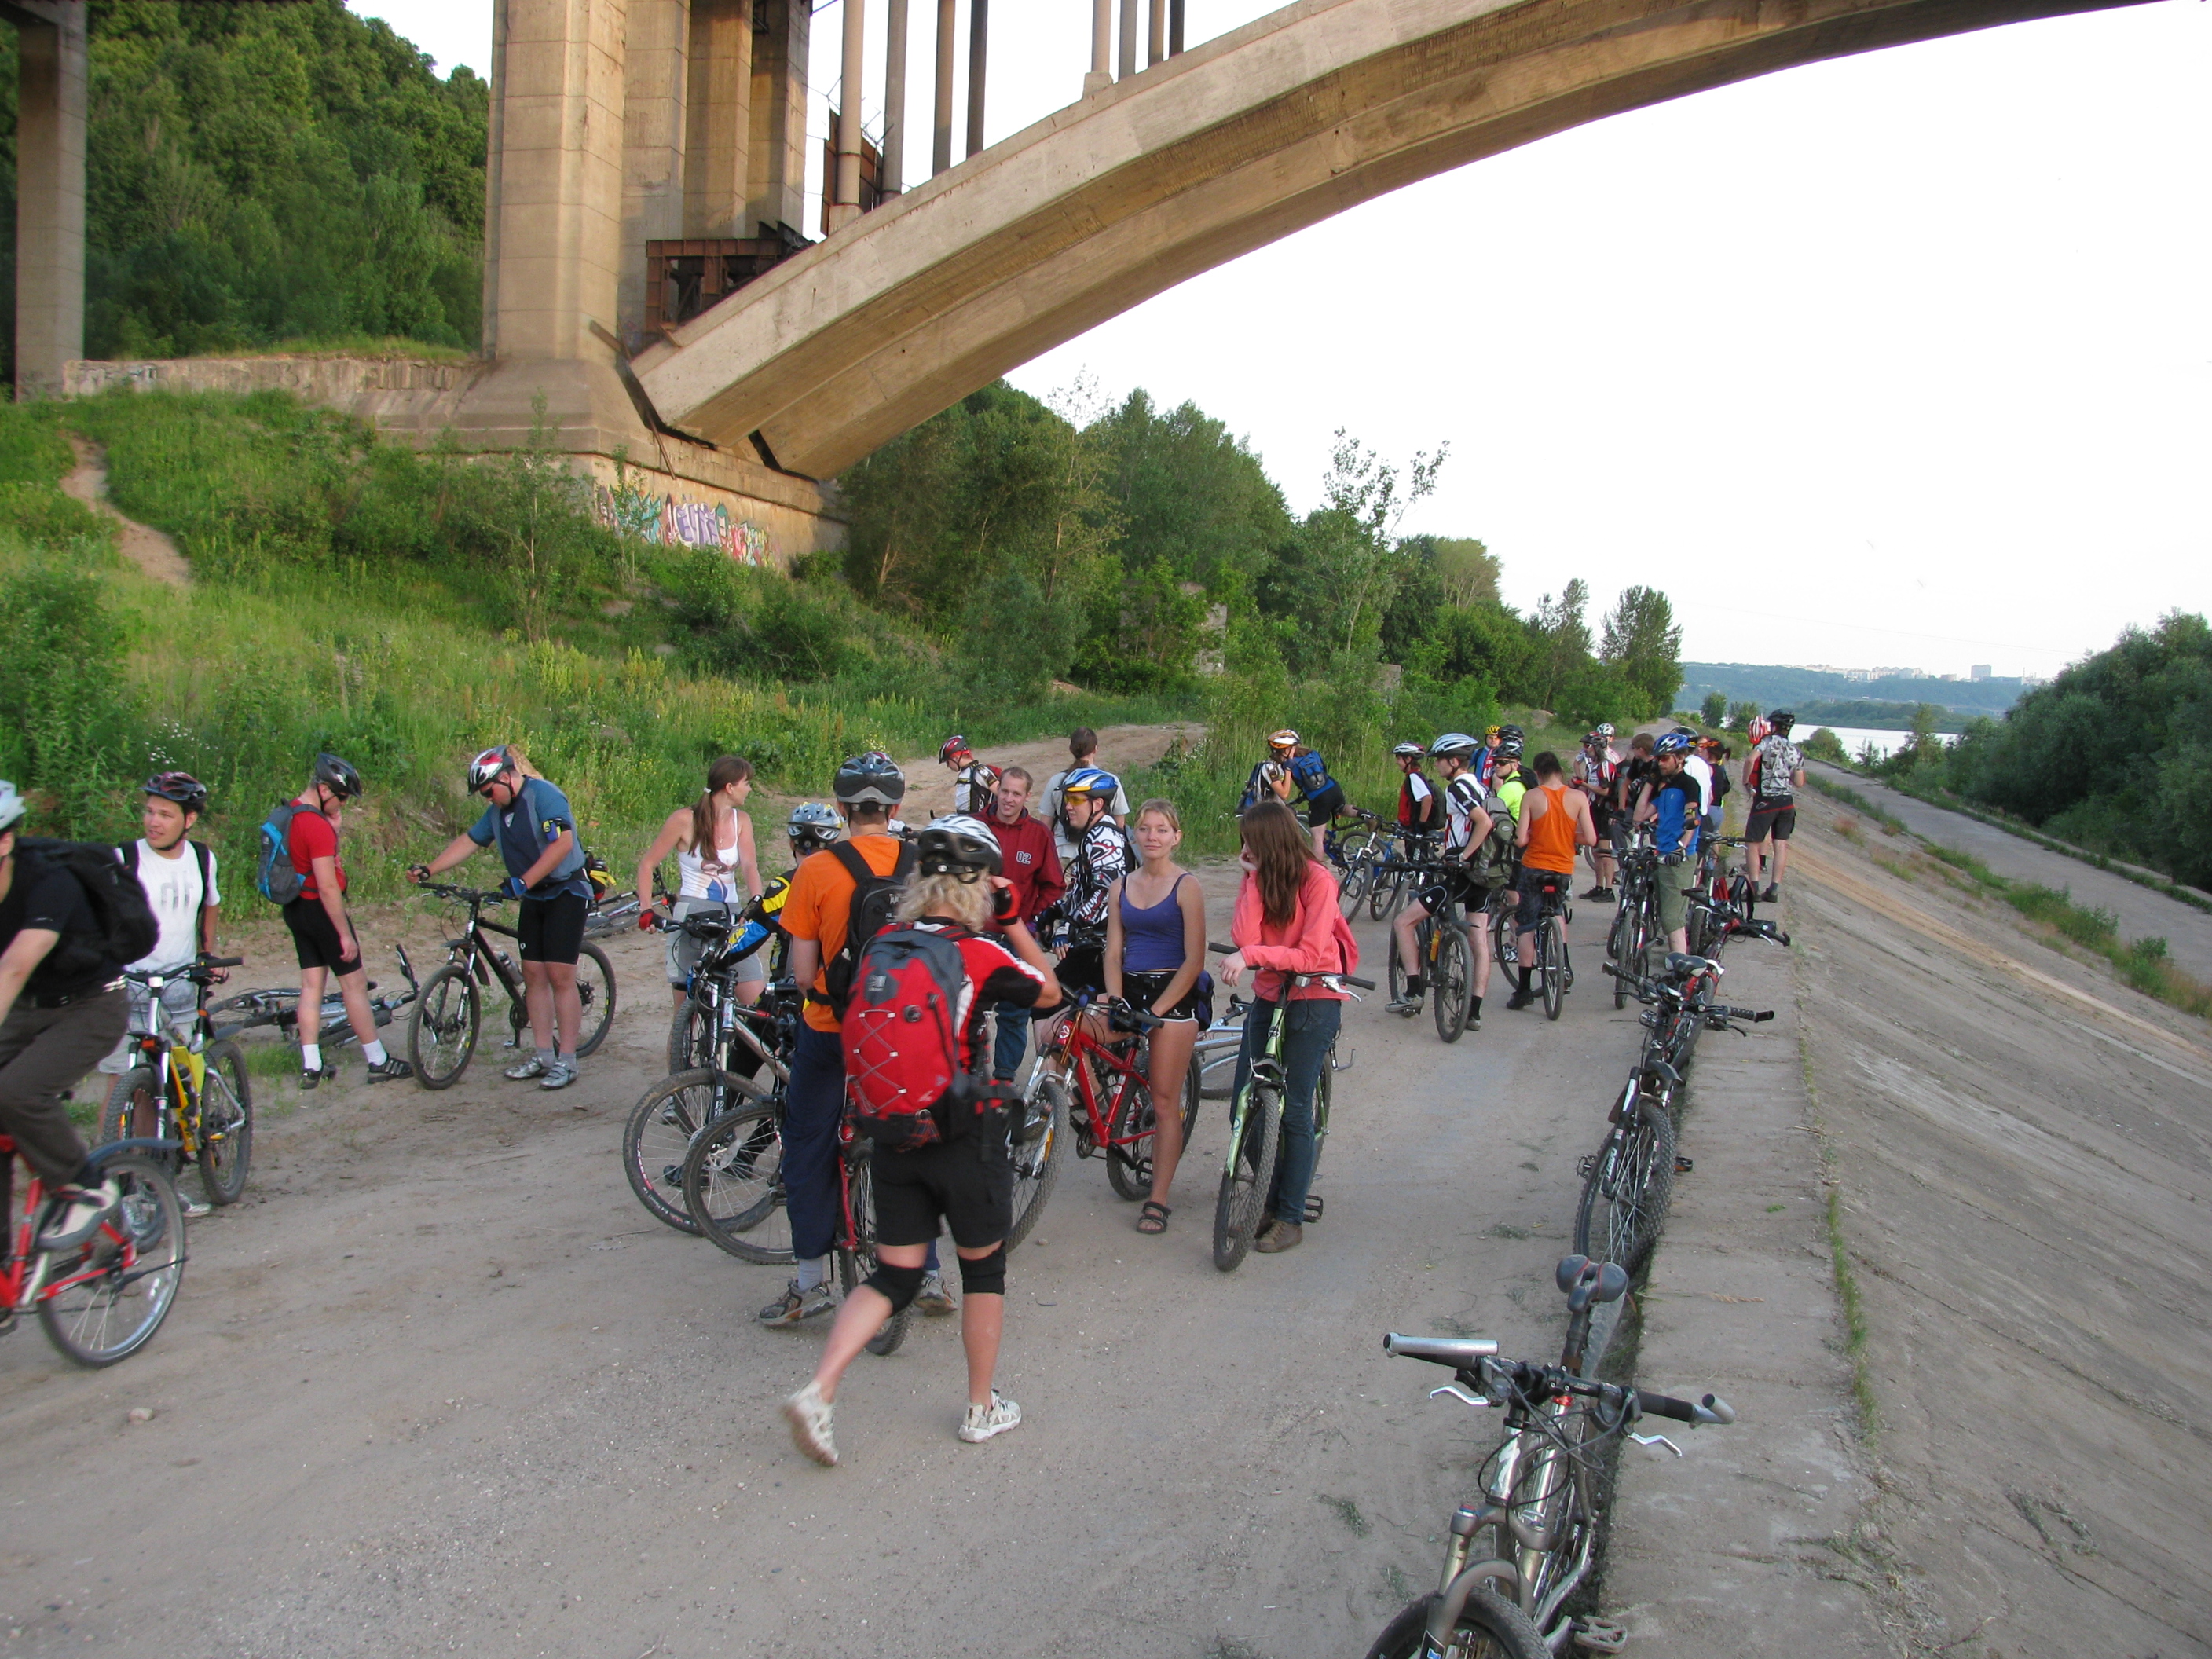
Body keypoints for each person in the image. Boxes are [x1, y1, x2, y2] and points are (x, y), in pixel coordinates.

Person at [780, 815, 1061, 1467]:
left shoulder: (882, 944)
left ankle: (820, 1390)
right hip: (963, 1135)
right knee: (983, 1268)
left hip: (892, 1133)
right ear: (977, 888)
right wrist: (1014, 920)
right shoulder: (978, 951)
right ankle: (981, 1407)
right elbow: (1049, 992)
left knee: (895, 1275)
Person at [761, 751, 921, 1326]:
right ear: (895, 808)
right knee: (912, 1144)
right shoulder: (925, 864)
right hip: (903, 1033)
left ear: (841, 808)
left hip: (833, 1029)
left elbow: (804, 975)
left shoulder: (815, 871)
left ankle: (811, 1282)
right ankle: (926, 1273)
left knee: (807, 1141)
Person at [0, 780, 135, 1251]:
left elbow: (14, 967)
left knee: (15, 1091)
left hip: (93, 1006)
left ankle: (85, 1185)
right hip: (29, 1007)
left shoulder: (47, 881)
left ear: (5, 841)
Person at [409, 746, 592, 1090]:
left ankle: (567, 1060)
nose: (487, 799)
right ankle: (544, 1055)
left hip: (566, 890)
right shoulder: (497, 811)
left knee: (560, 976)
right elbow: (469, 841)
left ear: (506, 777)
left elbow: (562, 844)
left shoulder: (544, 796)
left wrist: (524, 881)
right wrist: (430, 868)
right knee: (533, 975)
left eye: (488, 791)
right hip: (535, 895)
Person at [1218, 802, 1357, 1256]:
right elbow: (1245, 937)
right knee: (1245, 1104)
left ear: (1271, 841)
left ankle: (1290, 1216)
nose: (1245, 849)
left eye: (1251, 843)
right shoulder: (1262, 877)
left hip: (1315, 996)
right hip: (1271, 993)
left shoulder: (1318, 880)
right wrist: (1251, 880)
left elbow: (1311, 956)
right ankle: (1267, 1195)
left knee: (1294, 1110)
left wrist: (1253, 956)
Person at [1103, 799, 1207, 1236]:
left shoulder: (1187, 886)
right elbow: (1113, 952)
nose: (1151, 836)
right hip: (1128, 988)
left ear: (1176, 837)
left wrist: (1156, 1011)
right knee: (1063, 1030)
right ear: (1135, 834)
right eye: (1145, 828)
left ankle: (1158, 1199)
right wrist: (1115, 999)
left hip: (1172, 996)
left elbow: (1195, 959)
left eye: (1162, 829)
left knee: (1165, 1101)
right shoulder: (1120, 886)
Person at [281, 753, 412, 1089]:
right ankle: (378, 1060)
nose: (343, 804)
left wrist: (334, 830)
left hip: (295, 908)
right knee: (354, 985)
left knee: (311, 985)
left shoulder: (290, 812)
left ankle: (311, 1066)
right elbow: (328, 886)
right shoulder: (316, 826)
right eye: (341, 797)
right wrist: (344, 935)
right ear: (324, 789)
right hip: (320, 910)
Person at [1386, 733, 1503, 1026]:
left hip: (1461, 873)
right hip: (1485, 873)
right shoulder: (1482, 786)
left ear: (1453, 762)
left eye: (1439, 760)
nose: (1436, 765)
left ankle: (1413, 991)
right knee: (1479, 939)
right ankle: (1473, 1012)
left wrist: (1463, 855)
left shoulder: (1457, 788)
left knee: (1403, 922)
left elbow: (1484, 822)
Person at [635, 756, 766, 1016]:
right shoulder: (684, 819)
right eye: (746, 783)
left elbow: (750, 865)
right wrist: (646, 909)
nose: (750, 789)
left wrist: (757, 900)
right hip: (693, 914)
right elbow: (647, 864)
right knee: (686, 1011)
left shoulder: (742, 821)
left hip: (730, 912)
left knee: (755, 999)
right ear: (730, 787)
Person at [114, 772, 223, 1064]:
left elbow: (211, 903)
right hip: (131, 988)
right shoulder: (124, 859)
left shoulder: (202, 858)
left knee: (182, 1073)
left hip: (180, 987)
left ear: (189, 819)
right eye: (149, 811)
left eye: (165, 814)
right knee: (124, 1077)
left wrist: (206, 953)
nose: (153, 822)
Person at [986, 767, 1064, 1083]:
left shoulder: (1038, 834)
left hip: (1016, 937)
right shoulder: (976, 826)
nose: (1008, 799)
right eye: (1004, 791)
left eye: (1016, 794)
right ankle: (964, 1076)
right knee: (964, 1009)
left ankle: (1004, 1079)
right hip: (974, 933)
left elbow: (1055, 886)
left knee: (1014, 1011)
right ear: (997, 790)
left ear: (1027, 796)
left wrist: (1031, 920)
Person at [1506, 752, 1599, 1010]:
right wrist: (1568, 835)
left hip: (1534, 867)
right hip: (1562, 869)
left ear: (1538, 773)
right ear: (1560, 771)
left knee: (1527, 925)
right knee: (1556, 911)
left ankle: (1524, 989)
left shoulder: (1532, 796)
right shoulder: (1578, 797)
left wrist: (1531, 834)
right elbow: (1591, 839)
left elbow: (1521, 840)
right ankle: (1563, 965)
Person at [1050, 769, 1132, 999]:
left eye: (1076, 800)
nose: (1068, 806)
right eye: (1067, 798)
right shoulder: (1095, 833)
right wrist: (1057, 910)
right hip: (1094, 945)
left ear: (1097, 804)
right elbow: (1084, 889)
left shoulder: (1103, 838)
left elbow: (1106, 893)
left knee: (1050, 1003)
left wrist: (1071, 924)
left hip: (1101, 948)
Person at [1643, 732, 1704, 954]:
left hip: (1678, 858)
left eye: (1664, 758)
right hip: (1663, 853)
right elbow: (1639, 816)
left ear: (1680, 758)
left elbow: (1692, 818)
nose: (1660, 763)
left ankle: (1682, 963)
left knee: (1672, 919)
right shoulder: (1666, 787)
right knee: (1665, 916)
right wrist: (1650, 782)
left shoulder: (1689, 785)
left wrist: (1682, 848)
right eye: (1657, 759)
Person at [1043, 728, 1130, 867]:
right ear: (1095, 749)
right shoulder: (1110, 781)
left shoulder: (1056, 781)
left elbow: (1045, 826)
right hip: (1101, 852)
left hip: (1065, 852)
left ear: (1071, 749)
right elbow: (1119, 825)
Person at [1744, 711, 1805, 902]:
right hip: (1786, 801)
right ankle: (1774, 889)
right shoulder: (1795, 750)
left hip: (1766, 799)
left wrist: (1746, 781)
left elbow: (1750, 759)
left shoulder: (1767, 742)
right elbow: (1799, 782)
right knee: (1781, 844)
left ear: (1774, 726)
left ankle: (1754, 888)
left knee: (1753, 843)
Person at [1574, 730, 1618, 900]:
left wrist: (1584, 784)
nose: (1585, 749)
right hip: (1594, 809)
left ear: (1597, 747)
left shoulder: (1605, 765)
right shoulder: (1593, 765)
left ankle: (1609, 889)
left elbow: (1606, 790)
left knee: (1605, 852)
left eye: (1587, 746)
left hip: (1605, 811)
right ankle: (1599, 886)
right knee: (1596, 852)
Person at [940, 735, 1001, 819]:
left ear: (956, 758)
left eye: (948, 762)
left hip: (976, 821)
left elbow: (1002, 793)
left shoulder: (979, 771)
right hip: (965, 820)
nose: (948, 766)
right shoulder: (966, 772)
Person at [1393, 742, 1437, 837]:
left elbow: (1427, 798)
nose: (1397, 762)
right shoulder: (1416, 775)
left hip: (1414, 828)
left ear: (1408, 759)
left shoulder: (1413, 776)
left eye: (1399, 758)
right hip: (1410, 826)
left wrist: (1421, 824)